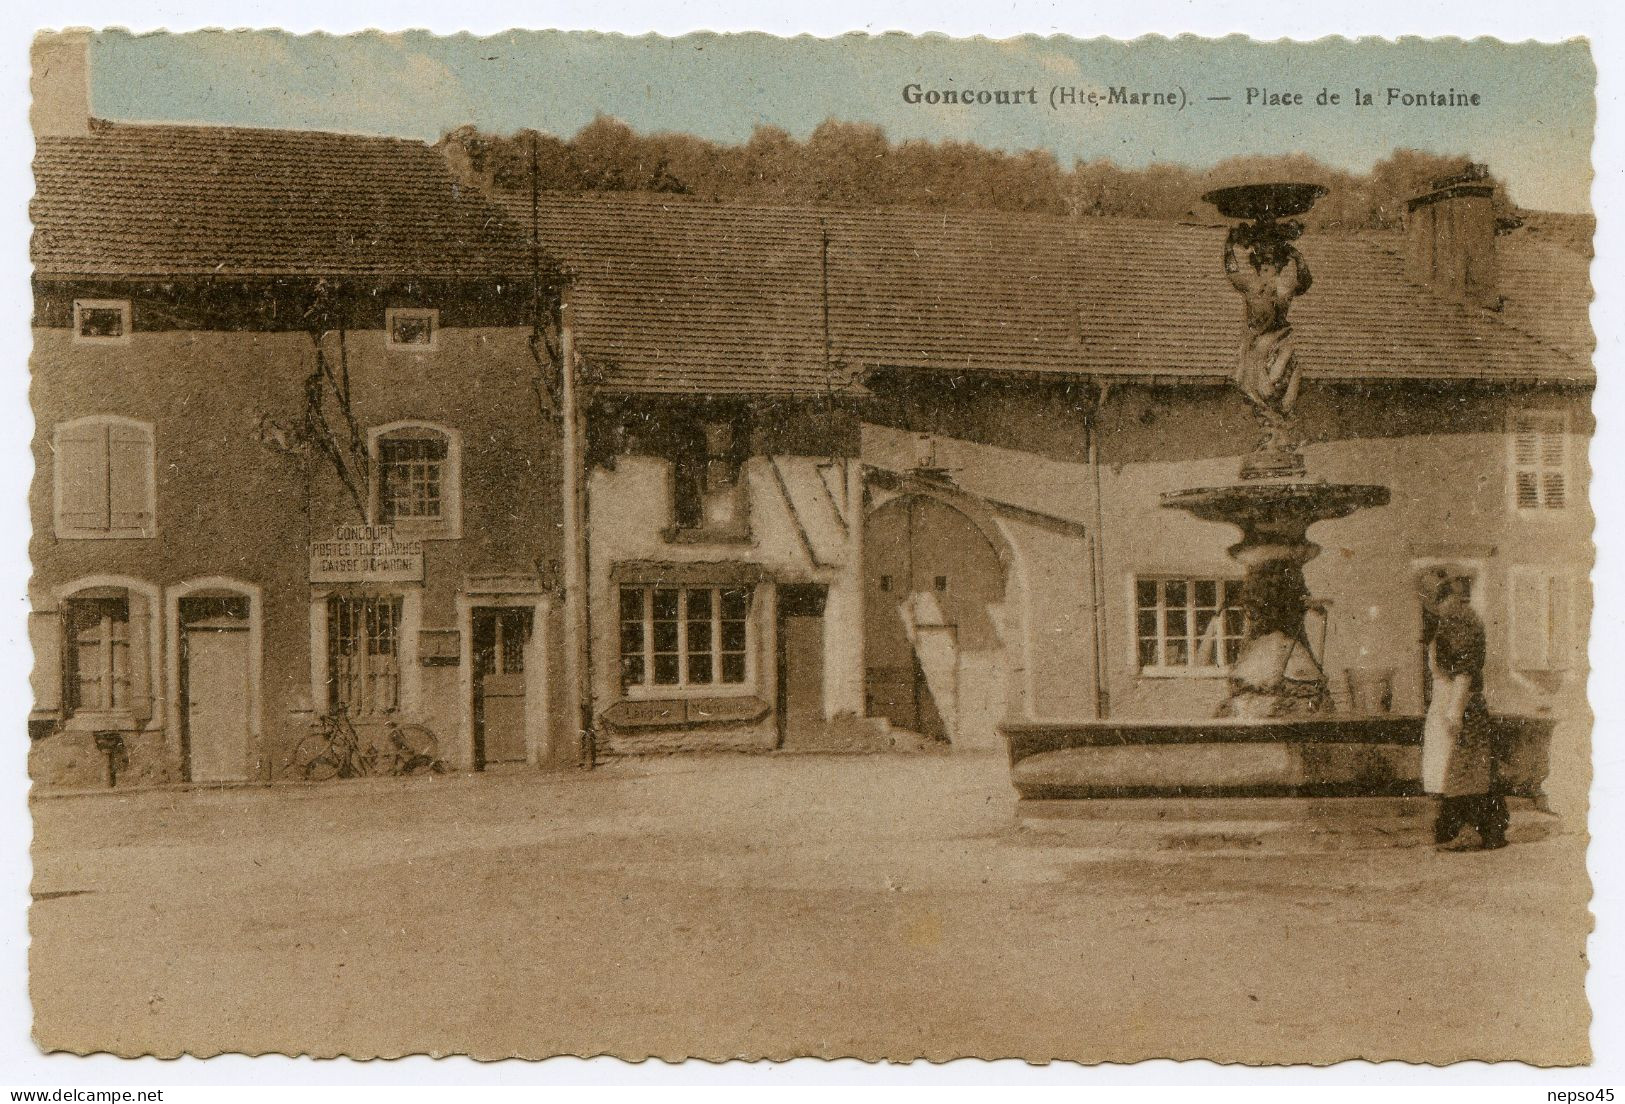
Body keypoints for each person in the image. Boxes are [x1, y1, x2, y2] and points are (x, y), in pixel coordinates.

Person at [1421, 578, 1508, 850]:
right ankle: (1485, 832)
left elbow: (1464, 671)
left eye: (1436, 601)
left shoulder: (1458, 622)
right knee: (1468, 771)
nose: (1435, 607)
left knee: (1462, 771)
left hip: (1459, 701)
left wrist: (1455, 712)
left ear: (1446, 600)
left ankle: (1466, 832)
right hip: (1451, 700)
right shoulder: (1456, 620)